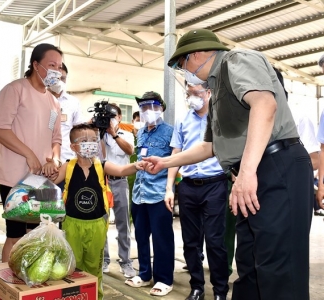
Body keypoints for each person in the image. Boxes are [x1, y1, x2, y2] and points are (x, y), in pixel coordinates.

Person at [145, 29, 313, 300]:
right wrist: (165, 161)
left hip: (276, 167)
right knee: (250, 266)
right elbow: (210, 146)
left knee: (279, 269)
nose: (183, 71)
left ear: (197, 54)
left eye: (181, 64)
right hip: (252, 173)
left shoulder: (236, 61)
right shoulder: (217, 88)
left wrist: (246, 173)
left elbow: (265, 105)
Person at [52, 123, 145, 300]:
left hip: (97, 225)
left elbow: (121, 169)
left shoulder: (102, 165)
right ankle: (74, 295)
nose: (91, 144)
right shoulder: (68, 166)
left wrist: (137, 165)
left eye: (94, 140)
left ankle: (94, 295)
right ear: (73, 147)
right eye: (84, 140)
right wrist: (49, 166)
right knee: (72, 264)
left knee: (94, 265)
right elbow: (51, 180)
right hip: (71, 224)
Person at [0, 43, 63, 263]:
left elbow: (55, 138)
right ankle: (9, 288)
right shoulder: (15, 90)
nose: (56, 71)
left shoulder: (53, 102)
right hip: (14, 178)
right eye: (52, 65)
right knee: (15, 237)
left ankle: (28, 285)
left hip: (41, 181)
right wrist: (30, 154)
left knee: (36, 236)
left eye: (59, 67)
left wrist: (55, 159)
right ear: (35, 64)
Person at [167, 81, 229, 300]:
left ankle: (220, 290)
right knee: (191, 241)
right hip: (189, 186)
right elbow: (176, 154)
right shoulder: (182, 120)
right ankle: (197, 287)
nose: (191, 97)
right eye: (188, 93)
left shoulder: (220, 117)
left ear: (208, 93)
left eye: (196, 92)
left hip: (215, 184)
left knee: (214, 241)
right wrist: (169, 188)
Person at [125, 92, 174, 297]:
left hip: (158, 192)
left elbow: (175, 162)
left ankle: (164, 279)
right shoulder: (141, 133)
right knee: (141, 236)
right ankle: (145, 274)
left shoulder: (170, 132)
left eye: (151, 107)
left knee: (162, 238)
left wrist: (170, 189)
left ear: (160, 108)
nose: (147, 111)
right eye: (143, 108)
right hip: (139, 192)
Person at [102, 104, 136, 278]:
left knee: (123, 223)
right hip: (102, 183)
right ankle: (104, 260)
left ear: (120, 117)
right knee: (102, 223)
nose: (110, 119)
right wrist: (100, 132)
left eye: (113, 116)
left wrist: (114, 134)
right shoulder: (98, 134)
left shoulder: (127, 134)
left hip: (120, 182)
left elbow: (130, 150)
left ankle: (125, 261)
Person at [49, 62, 84, 164]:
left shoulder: (73, 102)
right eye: (57, 78)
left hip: (66, 160)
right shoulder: (39, 99)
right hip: (42, 159)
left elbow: (78, 132)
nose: (60, 82)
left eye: (63, 78)